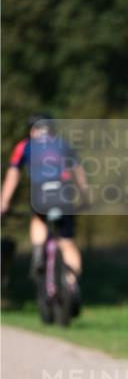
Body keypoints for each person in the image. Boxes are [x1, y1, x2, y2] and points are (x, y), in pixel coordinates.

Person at [0, 114, 86, 303]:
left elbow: (13, 175)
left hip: (40, 194)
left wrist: (4, 203)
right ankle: (71, 284)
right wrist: (85, 195)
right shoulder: (63, 144)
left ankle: (39, 251)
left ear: (31, 130)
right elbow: (77, 172)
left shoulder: (25, 146)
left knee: (38, 219)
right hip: (64, 194)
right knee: (67, 242)